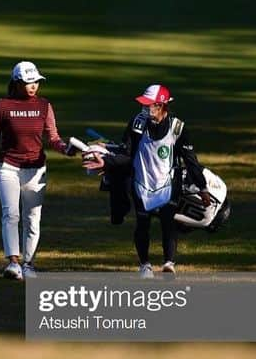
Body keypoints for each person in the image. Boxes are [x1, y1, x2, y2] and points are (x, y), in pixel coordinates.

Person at [84, 84, 214, 277]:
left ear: (161, 105)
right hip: (141, 182)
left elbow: (190, 160)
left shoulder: (177, 128)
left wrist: (202, 188)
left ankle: (169, 263)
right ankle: (145, 265)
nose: (145, 109)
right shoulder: (137, 123)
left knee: (168, 222)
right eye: (144, 105)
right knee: (143, 223)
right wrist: (107, 161)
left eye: (149, 105)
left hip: (168, 183)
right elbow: (128, 154)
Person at [0, 60, 76, 279]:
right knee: (10, 214)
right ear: (17, 82)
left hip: (36, 169)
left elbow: (53, 137)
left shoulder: (44, 105)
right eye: (29, 82)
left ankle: (29, 263)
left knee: (33, 217)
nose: (33, 86)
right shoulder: (2, 106)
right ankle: (13, 263)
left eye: (36, 82)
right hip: (8, 167)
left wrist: (65, 149)